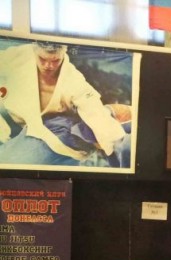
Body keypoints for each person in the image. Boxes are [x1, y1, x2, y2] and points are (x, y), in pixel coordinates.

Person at [0, 41, 129, 167]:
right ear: (34, 49)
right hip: (10, 118)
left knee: (8, 162)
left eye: (55, 60)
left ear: (64, 52)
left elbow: (93, 111)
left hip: (54, 132)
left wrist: (115, 149)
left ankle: (110, 118)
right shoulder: (18, 56)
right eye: (42, 59)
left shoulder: (73, 80)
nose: (48, 66)